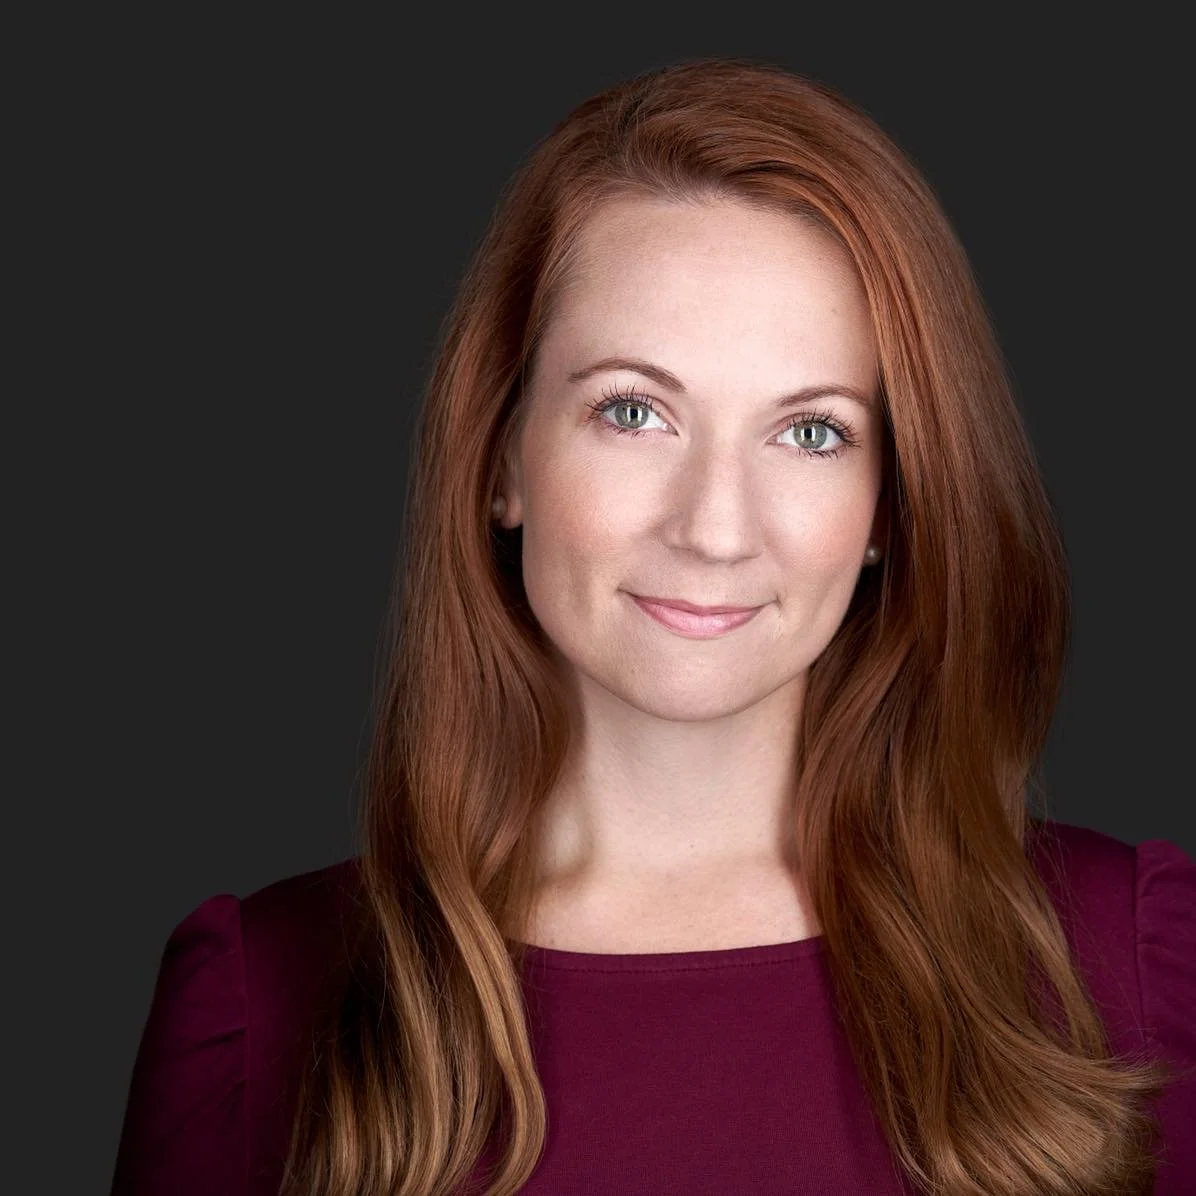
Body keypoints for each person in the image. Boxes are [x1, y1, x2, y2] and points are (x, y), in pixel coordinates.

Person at [109, 58, 1196, 1196]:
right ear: (499, 457)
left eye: (811, 432)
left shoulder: (1123, 963)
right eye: (633, 411)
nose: (714, 527)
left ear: (890, 503)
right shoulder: (259, 1006)